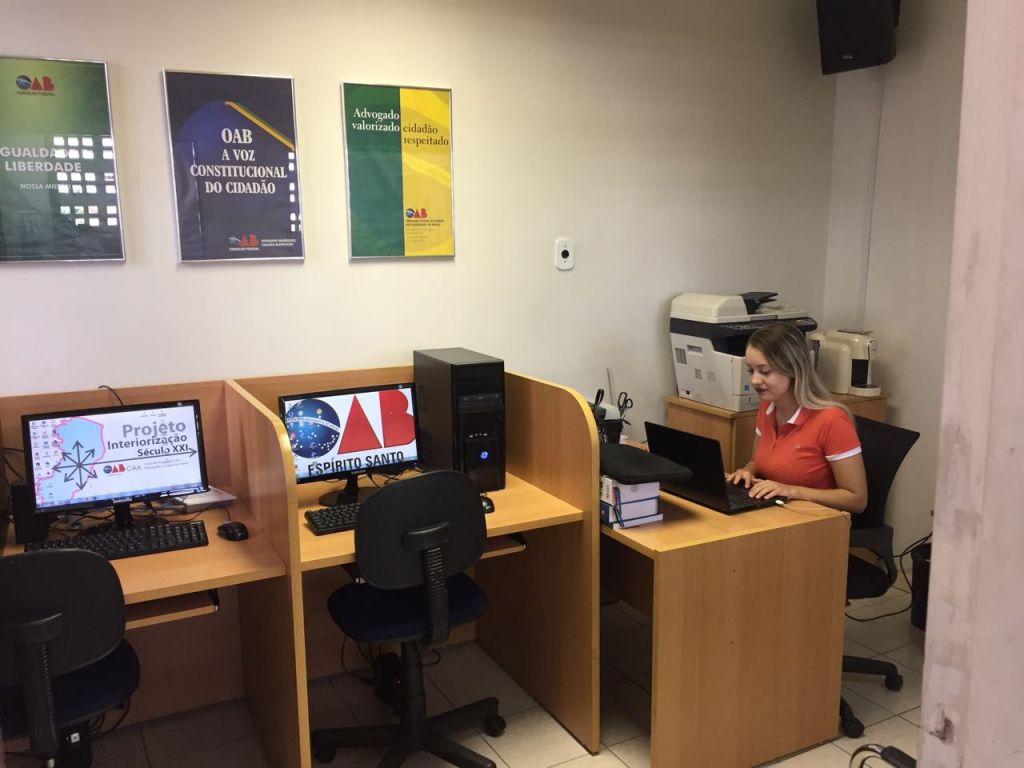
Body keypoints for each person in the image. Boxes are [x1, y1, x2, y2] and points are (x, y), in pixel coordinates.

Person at [725, 322, 867, 513]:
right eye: (751, 370)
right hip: (776, 514)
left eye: (765, 371)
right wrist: (747, 472)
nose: (754, 380)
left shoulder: (832, 420)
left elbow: (857, 499)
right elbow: (758, 463)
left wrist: (792, 491)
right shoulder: (768, 406)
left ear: (792, 369)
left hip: (816, 524)